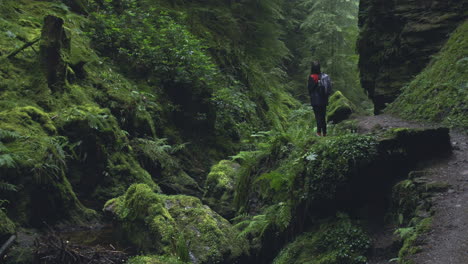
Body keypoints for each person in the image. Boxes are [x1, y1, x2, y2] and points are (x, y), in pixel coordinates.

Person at [307, 61, 332, 137]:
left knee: (318, 116)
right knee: (323, 116)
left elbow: (310, 89)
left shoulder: (311, 77)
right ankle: (324, 133)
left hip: (315, 100)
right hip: (324, 99)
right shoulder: (324, 76)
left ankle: (318, 132)